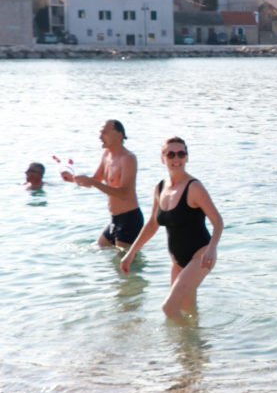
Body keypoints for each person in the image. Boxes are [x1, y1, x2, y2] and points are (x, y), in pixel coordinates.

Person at [121, 136, 223, 320]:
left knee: (169, 307)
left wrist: (211, 249)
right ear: (163, 158)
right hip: (177, 261)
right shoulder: (160, 188)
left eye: (181, 154)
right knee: (187, 309)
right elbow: (153, 223)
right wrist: (131, 253)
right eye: (171, 154)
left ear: (187, 157)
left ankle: (189, 345)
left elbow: (217, 221)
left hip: (200, 256)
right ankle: (191, 347)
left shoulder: (194, 187)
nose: (176, 159)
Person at [64, 120, 143, 249]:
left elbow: (124, 194)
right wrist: (72, 178)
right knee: (98, 248)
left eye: (104, 133)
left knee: (125, 265)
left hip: (129, 220)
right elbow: (96, 179)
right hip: (114, 219)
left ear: (118, 136)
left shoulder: (128, 158)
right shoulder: (106, 154)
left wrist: (93, 183)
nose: (100, 137)